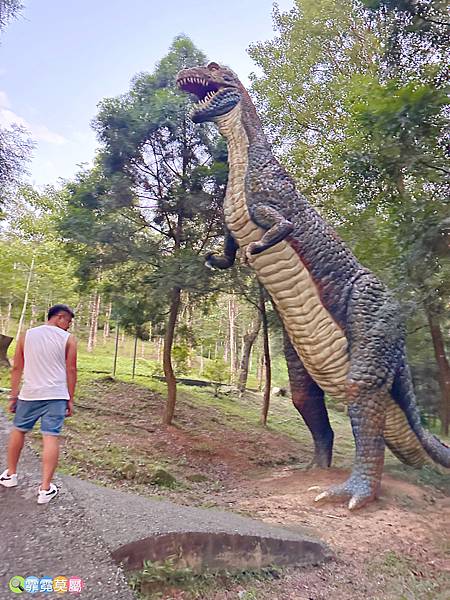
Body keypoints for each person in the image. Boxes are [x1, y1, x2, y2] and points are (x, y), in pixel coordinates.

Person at [0, 304, 77, 504]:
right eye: (68, 321)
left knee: (19, 430)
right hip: (56, 395)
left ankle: (10, 474)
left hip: (30, 394)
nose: (68, 326)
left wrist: (14, 395)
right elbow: (71, 370)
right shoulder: (68, 340)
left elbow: (17, 366)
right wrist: (70, 398)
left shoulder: (27, 335)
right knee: (51, 436)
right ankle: (44, 489)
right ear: (59, 317)